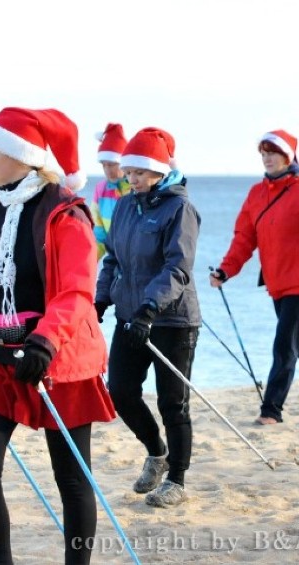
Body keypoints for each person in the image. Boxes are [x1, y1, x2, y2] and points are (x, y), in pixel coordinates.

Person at [0, 107, 116, 564]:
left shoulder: (65, 214)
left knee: (71, 476)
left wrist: (43, 342)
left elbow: (76, 292)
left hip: (59, 355)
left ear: (23, 157)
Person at [95, 126, 201, 508]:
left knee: (173, 402)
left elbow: (178, 266)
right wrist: (101, 300)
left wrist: (150, 308)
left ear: (158, 171)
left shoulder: (180, 208)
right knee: (120, 391)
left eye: (139, 172)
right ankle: (157, 452)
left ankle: (177, 479)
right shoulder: (125, 204)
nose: (131, 178)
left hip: (171, 319)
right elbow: (113, 258)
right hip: (130, 315)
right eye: (128, 171)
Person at [210, 129, 299, 425]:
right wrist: (226, 270)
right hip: (277, 283)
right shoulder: (256, 194)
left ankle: (271, 410)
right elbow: (244, 238)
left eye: (273, 153)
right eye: (263, 153)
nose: (267, 158)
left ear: (288, 156)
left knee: (283, 344)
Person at [90, 122, 130, 260]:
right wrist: (85, 265)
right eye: (104, 165)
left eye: (112, 164)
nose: (108, 170)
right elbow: (99, 235)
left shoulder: (136, 189)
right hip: (115, 263)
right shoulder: (100, 190)